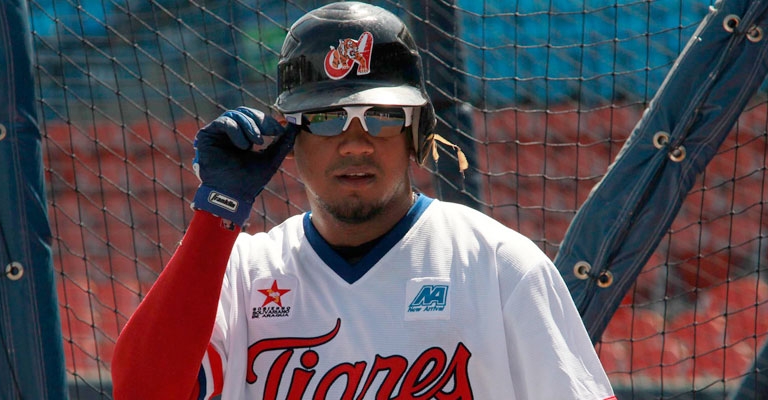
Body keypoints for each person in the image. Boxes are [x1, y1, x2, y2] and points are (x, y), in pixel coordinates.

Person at [111, 2, 616, 399]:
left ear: (415, 132)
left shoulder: (498, 265)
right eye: (327, 118)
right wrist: (216, 212)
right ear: (291, 136)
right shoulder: (243, 275)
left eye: (381, 116)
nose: (356, 143)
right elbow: (140, 392)